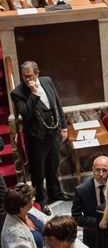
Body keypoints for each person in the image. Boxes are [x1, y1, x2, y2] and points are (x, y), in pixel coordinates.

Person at [11, 61, 69, 215]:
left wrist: (63, 127)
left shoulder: (47, 81)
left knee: (53, 165)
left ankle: (55, 192)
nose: (27, 79)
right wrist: (34, 93)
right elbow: (26, 113)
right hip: (36, 139)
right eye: (24, 76)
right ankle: (40, 201)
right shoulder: (18, 92)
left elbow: (57, 103)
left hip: (53, 133)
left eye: (30, 76)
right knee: (38, 172)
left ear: (37, 73)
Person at [71, 156, 108, 248]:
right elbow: (76, 216)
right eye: (98, 170)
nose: (101, 174)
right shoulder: (82, 190)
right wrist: (98, 222)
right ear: (93, 170)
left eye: (105, 170)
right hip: (92, 234)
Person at [1, 184, 49, 248]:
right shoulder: (15, 235)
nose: (34, 199)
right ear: (21, 206)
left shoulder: (28, 210)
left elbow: (47, 221)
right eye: (31, 199)